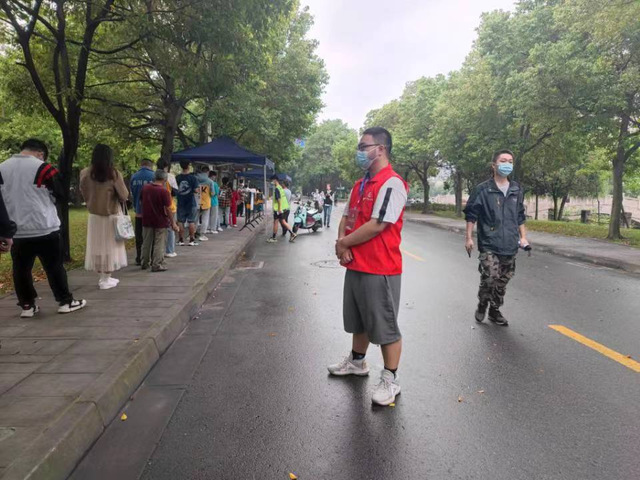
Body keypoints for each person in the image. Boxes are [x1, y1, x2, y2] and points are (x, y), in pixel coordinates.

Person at [329, 127, 408, 407]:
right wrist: (343, 243)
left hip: (380, 266)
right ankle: (357, 362)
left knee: (385, 326)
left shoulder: (392, 183)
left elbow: (378, 225)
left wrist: (344, 243)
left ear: (381, 149)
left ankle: (390, 378)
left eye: (364, 147)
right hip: (357, 264)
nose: (359, 152)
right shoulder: (360, 184)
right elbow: (347, 216)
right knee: (358, 319)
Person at [0, 139, 86, 317]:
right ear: (40, 153)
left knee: (21, 269)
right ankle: (65, 301)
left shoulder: (2, 168)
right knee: (54, 267)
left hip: (16, 230)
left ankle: (27, 306)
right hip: (44, 227)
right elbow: (60, 194)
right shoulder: (44, 168)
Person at [464, 149, 528, 327]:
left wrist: (523, 237)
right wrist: (468, 238)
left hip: (510, 244)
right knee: (490, 276)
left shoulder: (516, 189)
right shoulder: (483, 190)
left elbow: (520, 216)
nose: (507, 164)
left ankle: (494, 310)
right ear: (494, 165)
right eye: (503, 161)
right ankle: (483, 302)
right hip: (489, 243)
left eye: (510, 161)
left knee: (502, 280)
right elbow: (471, 215)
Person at [80, 144, 129, 289]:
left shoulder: (85, 173)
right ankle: (106, 279)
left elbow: (83, 191)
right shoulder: (113, 174)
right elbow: (124, 195)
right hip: (111, 215)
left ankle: (103, 276)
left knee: (97, 246)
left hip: (94, 216)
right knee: (111, 247)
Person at [141, 169, 178, 272]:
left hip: (147, 219)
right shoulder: (164, 191)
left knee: (146, 242)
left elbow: (141, 201)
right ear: (165, 179)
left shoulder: (145, 188)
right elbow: (168, 208)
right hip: (161, 220)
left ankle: (144, 262)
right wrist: (173, 222)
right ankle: (157, 264)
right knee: (159, 243)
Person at [130, 158, 155, 265]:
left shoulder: (134, 177)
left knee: (139, 236)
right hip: (152, 212)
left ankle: (139, 257)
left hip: (139, 211)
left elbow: (132, 193)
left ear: (141, 165)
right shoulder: (154, 176)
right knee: (152, 236)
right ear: (150, 165)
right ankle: (151, 257)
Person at [156, 159, 178, 258]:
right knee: (170, 228)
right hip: (169, 205)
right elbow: (175, 192)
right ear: (166, 166)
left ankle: (158, 251)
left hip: (156, 206)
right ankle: (170, 250)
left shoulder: (154, 176)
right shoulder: (170, 176)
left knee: (158, 229)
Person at [175, 160, 200, 246]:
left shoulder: (177, 178)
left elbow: (175, 189)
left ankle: (181, 240)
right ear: (189, 166)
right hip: (191, 202)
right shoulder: (193, 178)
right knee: (191, 221)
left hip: (180, 202)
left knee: (180, 221)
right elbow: (196, 190)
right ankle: (192, 240)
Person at [267, 175, 297, 243]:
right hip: (285, 208)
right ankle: (292, 233)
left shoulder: (277, 189)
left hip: (278, 209)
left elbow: (279, 200)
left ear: (275, 180)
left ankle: (274, 238)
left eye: (272, 181)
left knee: (276, 222)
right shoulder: (280, 188)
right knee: (283, 221)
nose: (271, 182)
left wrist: (279, 209)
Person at [196, 166, 215, 241]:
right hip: (206, 202)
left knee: (195, 219)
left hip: (197, 201)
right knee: (205, 219)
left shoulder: (195, 179)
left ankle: (192, 234)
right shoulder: (210, 182)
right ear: (208, 172)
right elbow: (212, 193)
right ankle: (202, 234)